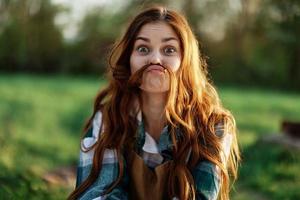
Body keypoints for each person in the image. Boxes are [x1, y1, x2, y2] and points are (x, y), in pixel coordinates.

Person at [68, 6, 240, 200]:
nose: (155, 59)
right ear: (129, 59)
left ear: (185, 61)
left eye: (169, 50)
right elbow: (100, 193)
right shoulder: (108, 119)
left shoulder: (214, 125)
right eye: (143, 49)